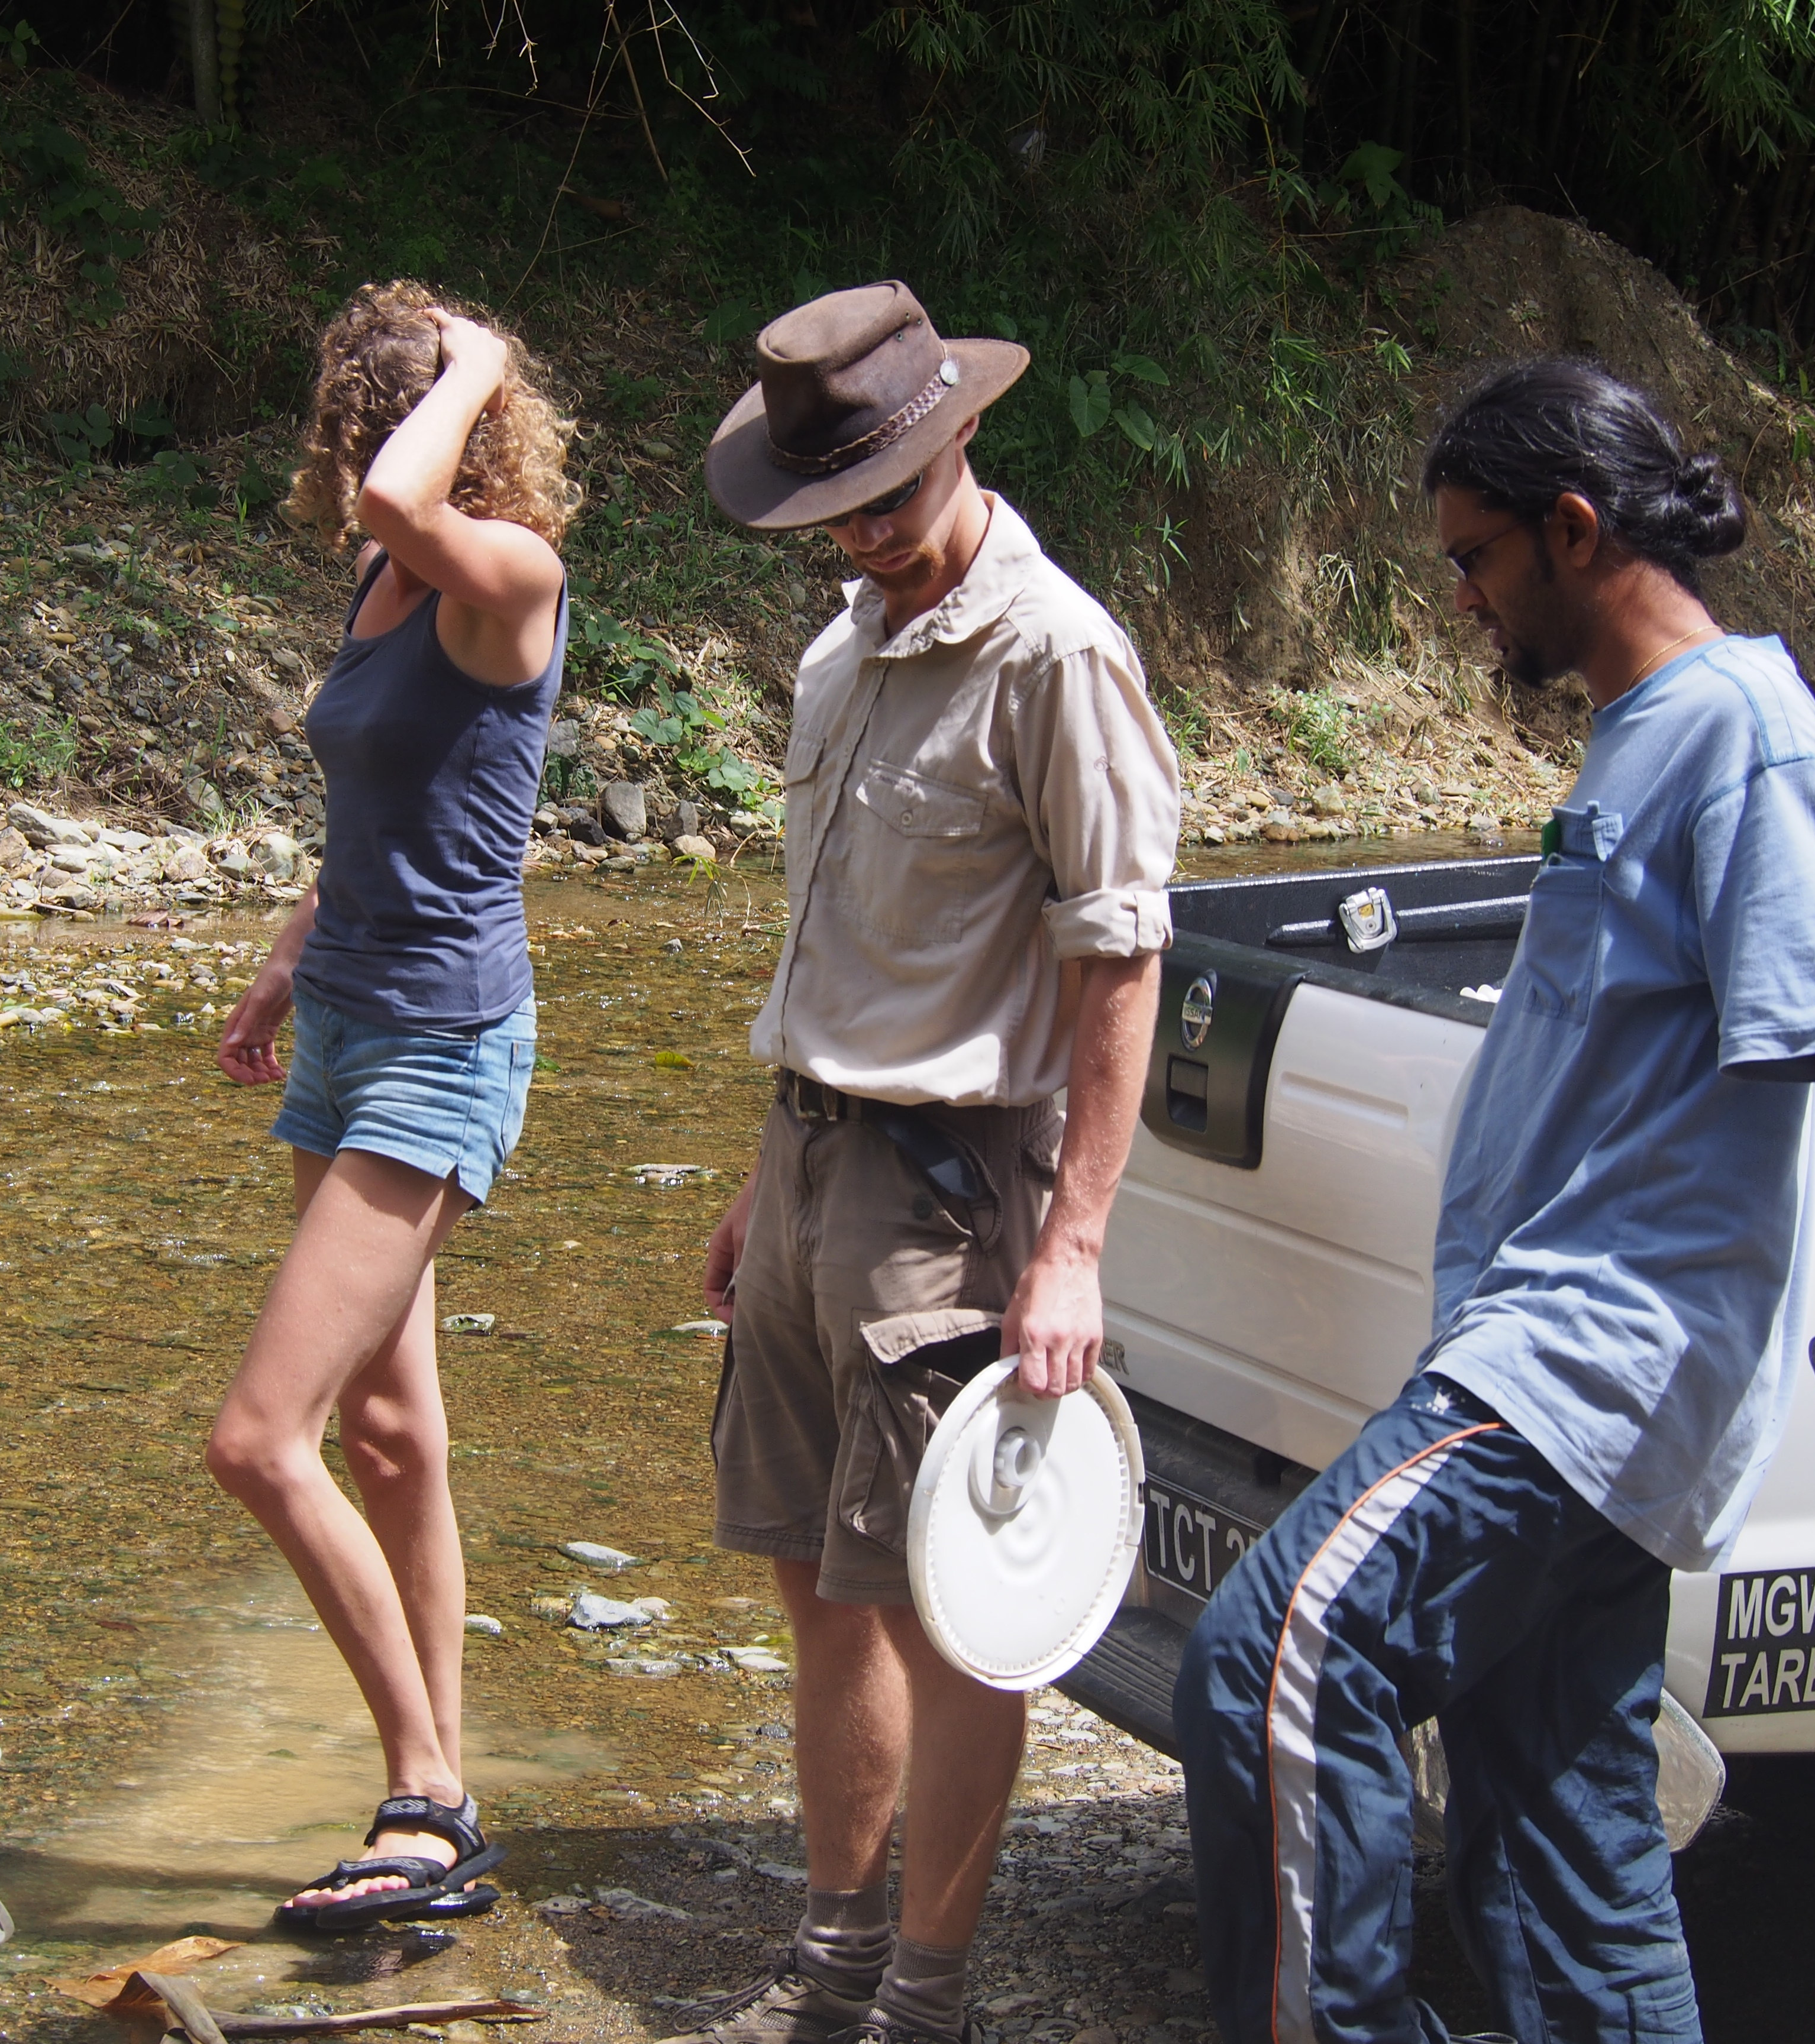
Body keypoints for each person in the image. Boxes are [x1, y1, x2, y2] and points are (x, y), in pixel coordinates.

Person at [1173, 358, 1815, 2043]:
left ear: (1576, 529)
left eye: (1477, 560)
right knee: (1560, 1857)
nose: (1462, 598)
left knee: (1272, 1664)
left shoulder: (1742, 732)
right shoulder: (1646, 736)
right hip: (1577, 1384)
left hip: (1585, 1368)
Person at [676, 281, 1183, 2044]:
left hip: (962, 1191)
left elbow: (1119, 958)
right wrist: (768, 1182)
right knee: (817, 1580)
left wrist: (1079, 1248)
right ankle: (832, 1958)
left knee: (956, 1606)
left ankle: (930, 1988)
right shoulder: (843, 646)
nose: (869, 541)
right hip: (812, 1155)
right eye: (835, 515)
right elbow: (840, 942)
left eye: (889, 503)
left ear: (963, 434)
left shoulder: (1056, 653)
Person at [204, 280, 573, 1935]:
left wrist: (481, 356)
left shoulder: (507, 579)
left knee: (258, 1441)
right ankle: (446, 1788)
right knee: (388, 1434)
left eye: (385, 408)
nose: (356, 443)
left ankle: (425, 1800)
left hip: (440, 1043)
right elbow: (375, 804)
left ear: (455, 423)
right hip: (350, 1020)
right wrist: (286, 966)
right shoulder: (383, 573)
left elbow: (398, 500)